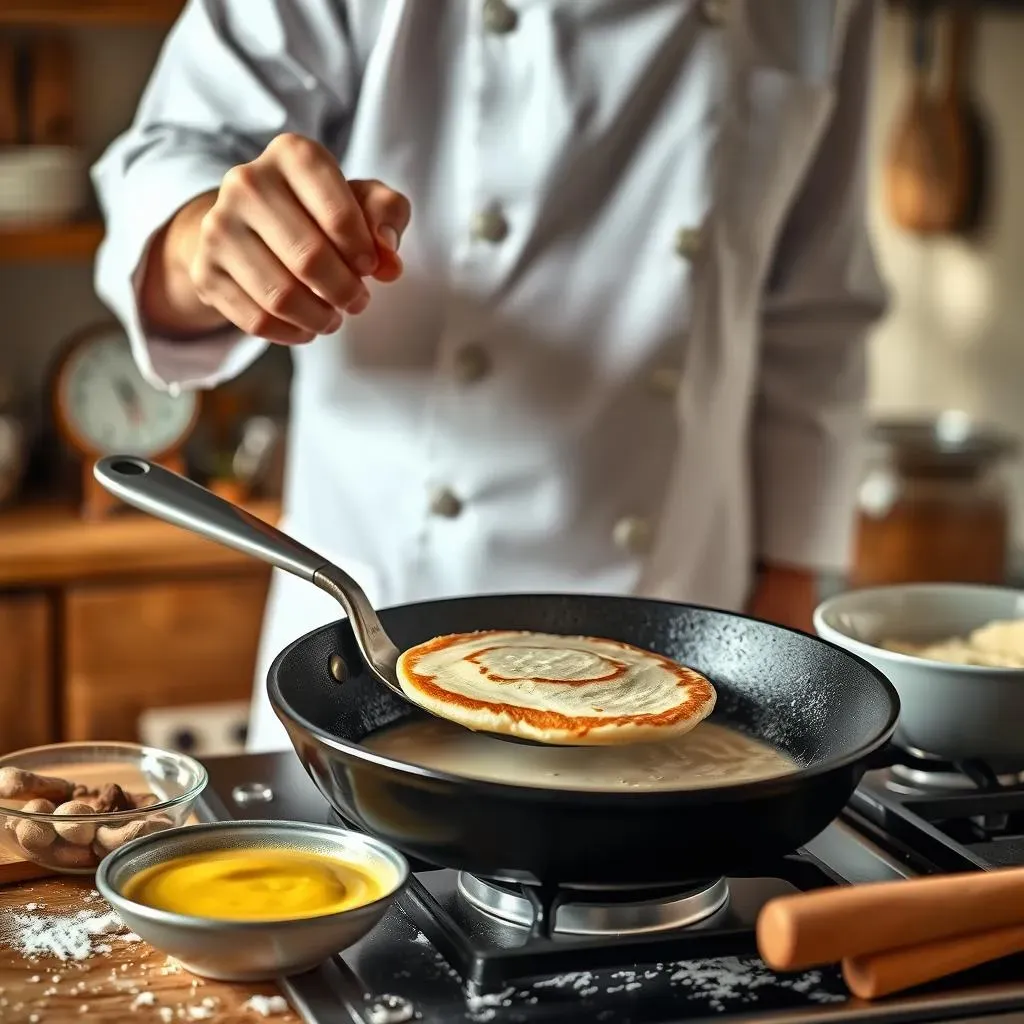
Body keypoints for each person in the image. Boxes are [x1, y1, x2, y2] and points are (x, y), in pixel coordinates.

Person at [92, 0, 885, 754]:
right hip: (376, 629)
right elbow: (165, 158)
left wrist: (787, 613)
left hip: (689, 612)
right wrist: (212, 242)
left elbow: (816, 307)